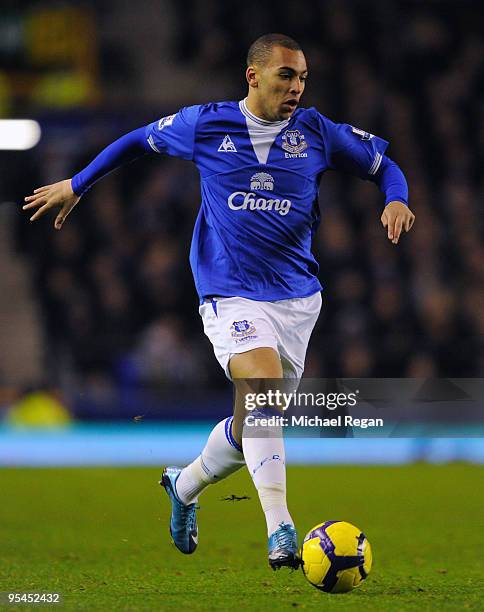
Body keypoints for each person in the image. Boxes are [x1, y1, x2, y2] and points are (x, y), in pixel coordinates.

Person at [23, 33, 415, 570]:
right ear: (252, 76)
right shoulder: (205, 124)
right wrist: (80, 182)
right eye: (286, 76)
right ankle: (280, 527)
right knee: (263, 396)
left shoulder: (318, 132)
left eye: (302, 77)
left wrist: (396, 200)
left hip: (298, 299)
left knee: (253, 422)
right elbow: (137, 140)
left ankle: (182, 486)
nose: (297, 87)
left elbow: (383, 167)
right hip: (228, 290)